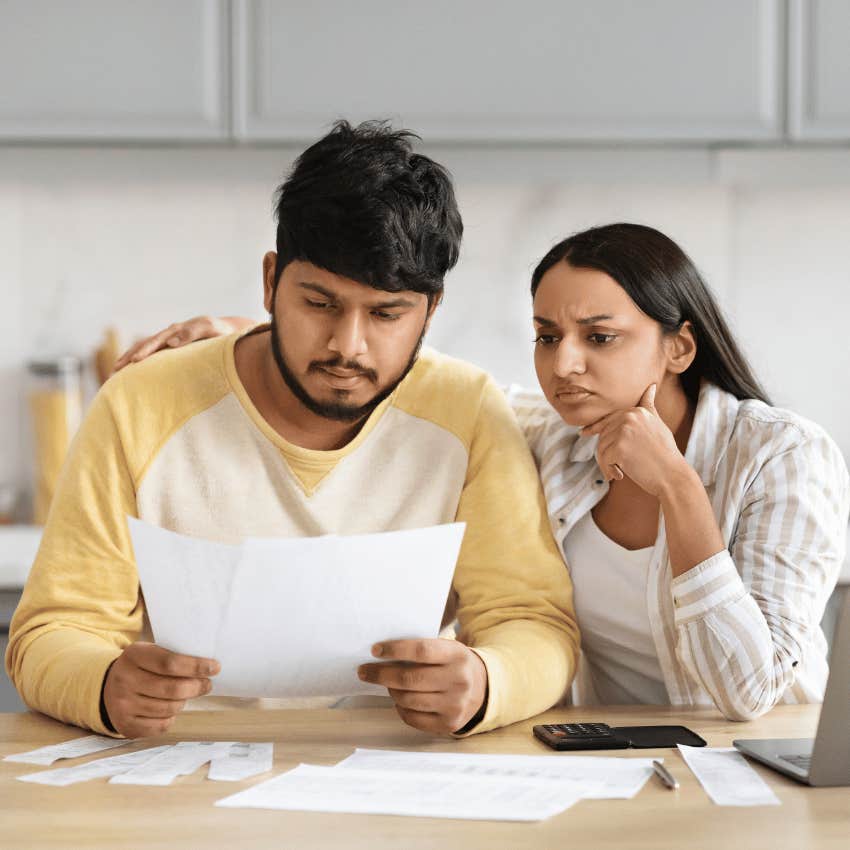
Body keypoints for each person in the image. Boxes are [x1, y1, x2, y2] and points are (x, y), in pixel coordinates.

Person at [6, 121, 580, 739]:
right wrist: (102, 684)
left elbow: (534, 623)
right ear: (270, 282)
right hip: (181, 767)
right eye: (320, 303)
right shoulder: (140, 403)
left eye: (386, 314)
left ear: (430, 311)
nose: (346, 346)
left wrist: (487, 679)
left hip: (395, 770)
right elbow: (52, 631)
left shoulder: (467, 410)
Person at [139, 223, 849, 721]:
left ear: (679, 349)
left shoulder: (783, 457)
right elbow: (426, 384)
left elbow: (749, 693)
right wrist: (251, 339)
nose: (562, 364)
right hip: (608, 763)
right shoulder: (553, 437)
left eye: (599, 338)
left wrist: (678, 487)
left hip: (762, 773)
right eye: (546, 337)